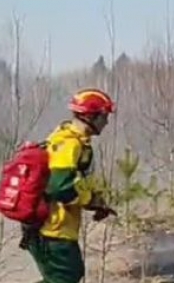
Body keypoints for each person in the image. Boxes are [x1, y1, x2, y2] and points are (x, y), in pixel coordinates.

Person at [24, 88, 118, 283]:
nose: (106, 122)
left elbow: (70, 183)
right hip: (52, 229)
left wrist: (95, 202)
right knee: (66, 277)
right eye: (104, 116)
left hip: (56, 228)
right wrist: (90, 200)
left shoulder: (73, 140)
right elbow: (59, 187)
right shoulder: (68, 143)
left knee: (68, 275)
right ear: (90, 116)